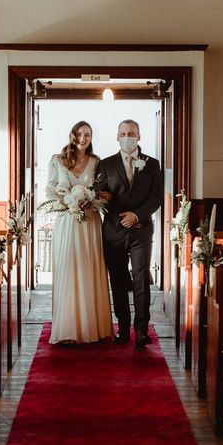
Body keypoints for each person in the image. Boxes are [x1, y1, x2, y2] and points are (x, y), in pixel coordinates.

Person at [96, 119, 163, 348]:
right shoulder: (106, 164)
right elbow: (100, 195)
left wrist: (137, 215)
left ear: (139, 136)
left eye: (131, 133)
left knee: (141, 278)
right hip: (114, 230)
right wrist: (115, 209)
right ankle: (123, 328)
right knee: (117, 279)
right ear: (117, 137)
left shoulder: (152, 164)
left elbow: (156, 198)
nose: (127, 136)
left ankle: (142, 330)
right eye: (123, 133)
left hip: (141, 230)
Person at [46, 121, 113, 344]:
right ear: (72, 135)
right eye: (80, 134)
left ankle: (92, 326)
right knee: (69, 268)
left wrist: (92, 200)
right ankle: (67, 328)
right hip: (66, 221)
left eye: (88, 135)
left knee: (88, 269)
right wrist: (66, 201)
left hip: (90, 223)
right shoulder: (57, 160)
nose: (83, 138)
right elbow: (50, 189)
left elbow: (102, 191)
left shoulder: (96, 162)